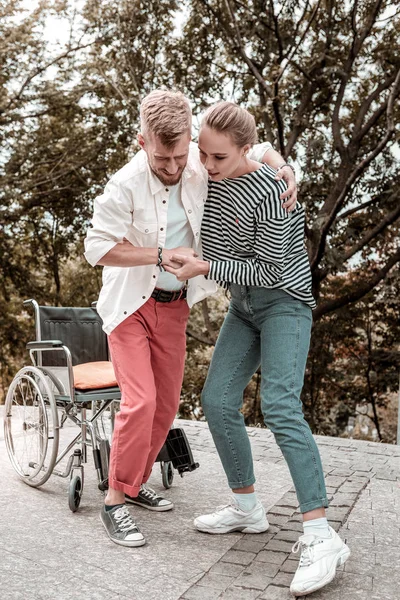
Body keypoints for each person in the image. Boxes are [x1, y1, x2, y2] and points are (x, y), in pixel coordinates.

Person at [84, 90, 297, 548]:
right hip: (129, 307)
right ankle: (114, 502)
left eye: (182, 155)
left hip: (175, 304)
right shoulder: (124, 185)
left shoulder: (198, 161)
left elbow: (253, 147)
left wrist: (284, 167)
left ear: (191, 141)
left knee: (164, 407)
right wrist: (159, 255)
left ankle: (136, 481)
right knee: (139, 402)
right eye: (162, 158)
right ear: (142, 142)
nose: (173, 166)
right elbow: (96, 249)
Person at [165, 101, 350, 596]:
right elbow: (250, 150)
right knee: (217, 401)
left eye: (218, 158)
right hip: (243, 307)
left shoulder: (272, 191)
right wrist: (277, 154)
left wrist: (205, 268)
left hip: (284, 303)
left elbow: (269, 271)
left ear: (245, 151)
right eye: (203, 154)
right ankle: (247, 509)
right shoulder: (211, 175)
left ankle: (319, 534)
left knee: (281, 407)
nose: (207, 165)